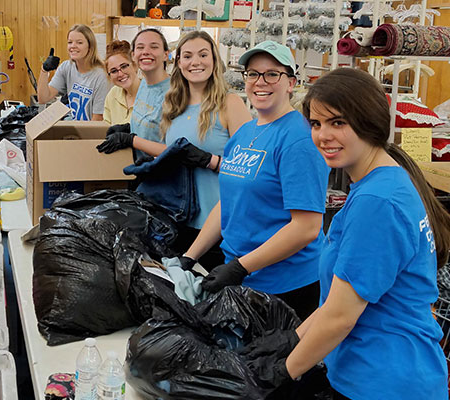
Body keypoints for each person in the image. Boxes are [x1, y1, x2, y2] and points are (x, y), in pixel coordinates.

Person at [277, 68, 450, 400]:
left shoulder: (376, 202)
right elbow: (336, 304)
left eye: (338, 122)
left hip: (384, 381)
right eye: (316, 124)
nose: (323, 135)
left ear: (369, 122)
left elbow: (341, 317)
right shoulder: (385, 182)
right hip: (382, 372)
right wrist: (291, 342)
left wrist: (281, 372)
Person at [185, 40, 330, 320]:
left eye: (272, 74)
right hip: (246, 279)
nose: (260, 82)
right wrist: (190, 256)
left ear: (291, 82)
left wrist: (241, 267)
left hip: (288, 287)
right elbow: (227, 204)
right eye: (253, 74)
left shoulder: (298, 138)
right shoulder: (244, 133)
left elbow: (307, 227)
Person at [98, 31, 251, 259]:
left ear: (214, 60)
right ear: (178, 62)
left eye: (203, 55)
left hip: (219, 226)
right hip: (177, 221)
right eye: (188, 56)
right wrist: (131, 134)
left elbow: (250, 173)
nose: (195, 62)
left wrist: (210, 161)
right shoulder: (174, 105)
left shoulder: (229, 104)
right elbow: (162, 150)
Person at [37, 24, 109, 121]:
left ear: (90, 46)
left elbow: (98, 119)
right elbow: (43, 98)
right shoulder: (66, 67)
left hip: (91, 133)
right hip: (75, 130)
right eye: (70, 42)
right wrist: (44, 70)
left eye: (79, 43)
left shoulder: (101, 76)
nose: (73, 46)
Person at [103, 40, 140, 125]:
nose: (120, 74)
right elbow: (105, 129)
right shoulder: (113, 94)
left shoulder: (151, 95)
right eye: (114, 71)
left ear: (134, 65)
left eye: (124, 66)